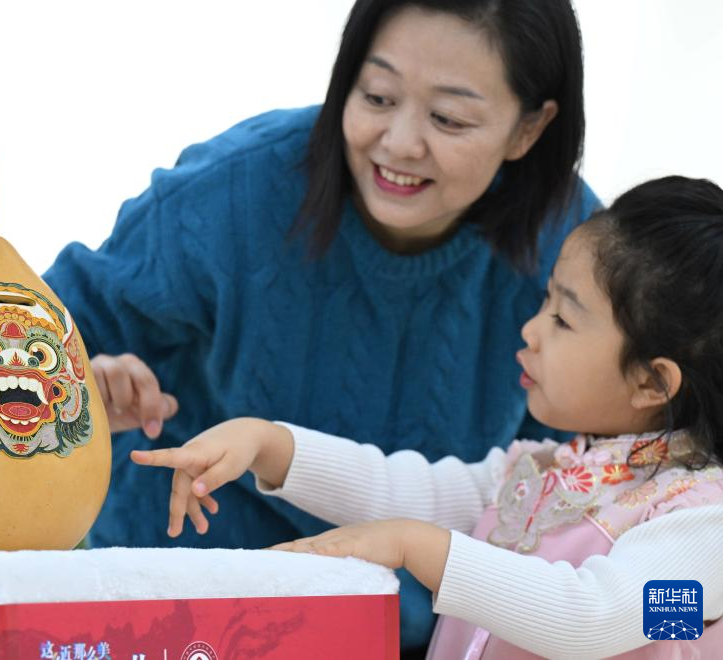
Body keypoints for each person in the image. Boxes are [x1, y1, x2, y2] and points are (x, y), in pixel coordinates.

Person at [43, 0, 598, 650]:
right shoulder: (233, 191)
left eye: (448, 118)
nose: (399, 143)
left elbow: (591, 498)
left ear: (529, 128)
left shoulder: (580, 262)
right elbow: (35, 343)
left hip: (416, 634)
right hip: (180, 609)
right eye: (377, 96)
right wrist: (86, 382)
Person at [132, 176, 723, 658]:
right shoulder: (538, 473)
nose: (530, 330)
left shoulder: (702, 526)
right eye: (544, 301)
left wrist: (417, 546)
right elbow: (400, 490)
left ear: (652, 381)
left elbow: (596, 616)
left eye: (563, 320)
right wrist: (267, 444)